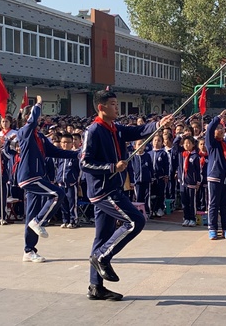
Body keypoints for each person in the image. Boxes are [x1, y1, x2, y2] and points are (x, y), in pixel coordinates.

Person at [81, 89, 172, 301]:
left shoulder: (116, 129)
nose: (117, 107)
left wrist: (159, 125)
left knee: (102, 237)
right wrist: (112, 167)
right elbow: (84, 162)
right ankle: (102, 257)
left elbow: (140, 131)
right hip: (104, 191)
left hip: (114, 188)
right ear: (101, 107)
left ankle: (96, 286)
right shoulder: (93, 131)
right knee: (135, 221)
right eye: (113, 104)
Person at [17, 96, 79, 263]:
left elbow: (56, 152)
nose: (40, 117)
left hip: (38, 176)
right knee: (58, 194)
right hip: (29, 176)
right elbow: (30, 122)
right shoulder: (24, 133)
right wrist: (37, 104)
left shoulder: (40, 137)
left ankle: (28, 250)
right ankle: (40, 221)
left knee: (31, 216)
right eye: (37, 115)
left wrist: (78, 154)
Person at [205, 110, 226, 240]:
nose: (220, 130)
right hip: (215, 177)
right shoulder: (212, 144)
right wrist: (218, 118)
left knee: (225, 205)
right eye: (217, 128)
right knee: (213, 204)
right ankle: (212, 228)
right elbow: (209, 129)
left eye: (222, 128)